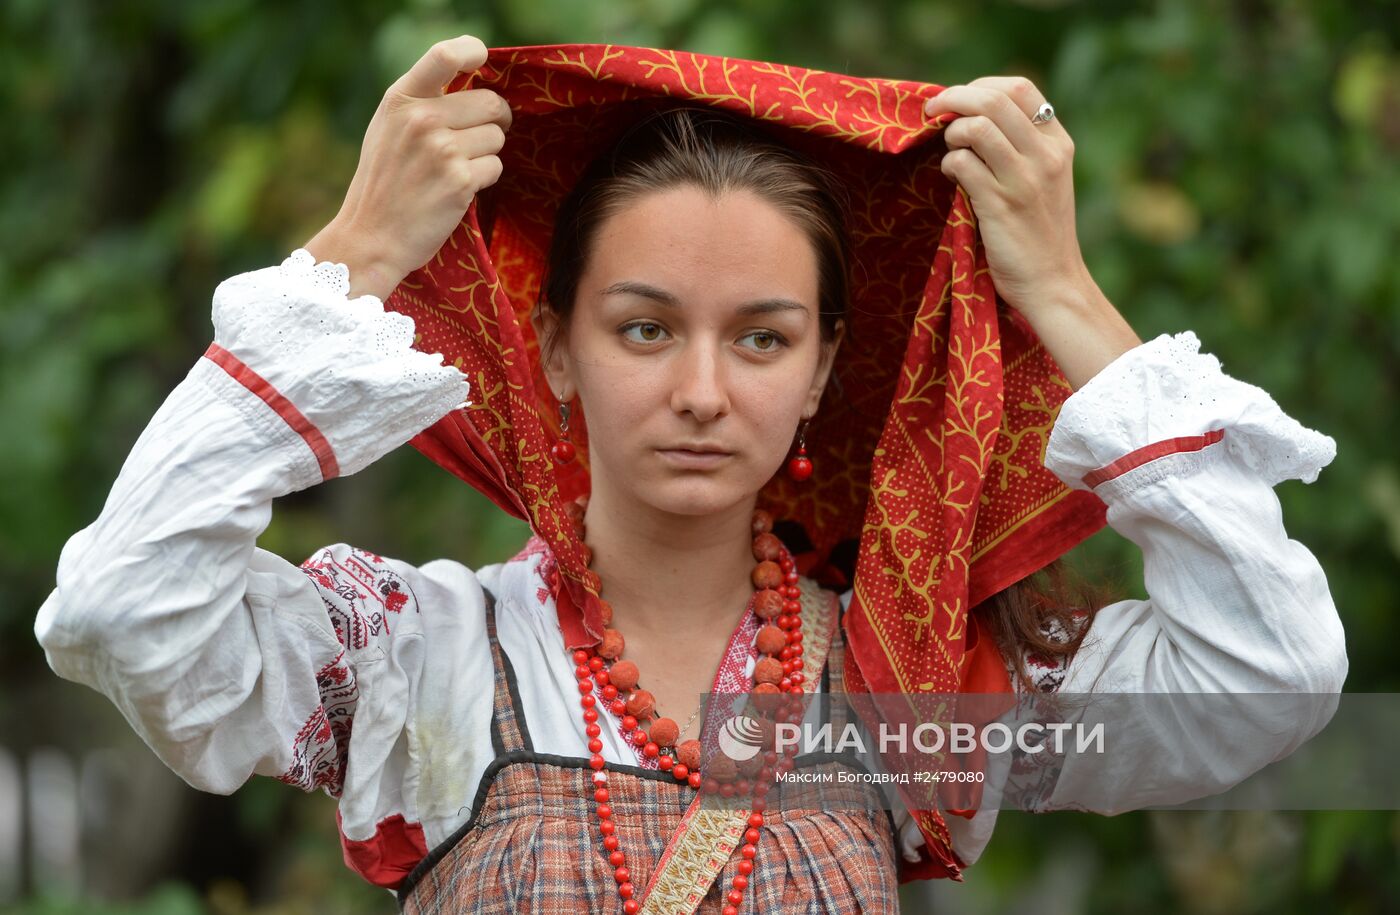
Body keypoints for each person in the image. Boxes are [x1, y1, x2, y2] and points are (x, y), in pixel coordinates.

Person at [35, 35, 1346, 913]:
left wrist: (1061, 289)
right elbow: (119, 613)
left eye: (763, 337)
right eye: (644, 328)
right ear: (554, 347)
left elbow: (1268, 676)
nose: (704, 390)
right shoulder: (406, 655)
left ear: (826, 369)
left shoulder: (917, 682)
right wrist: (344, 261)